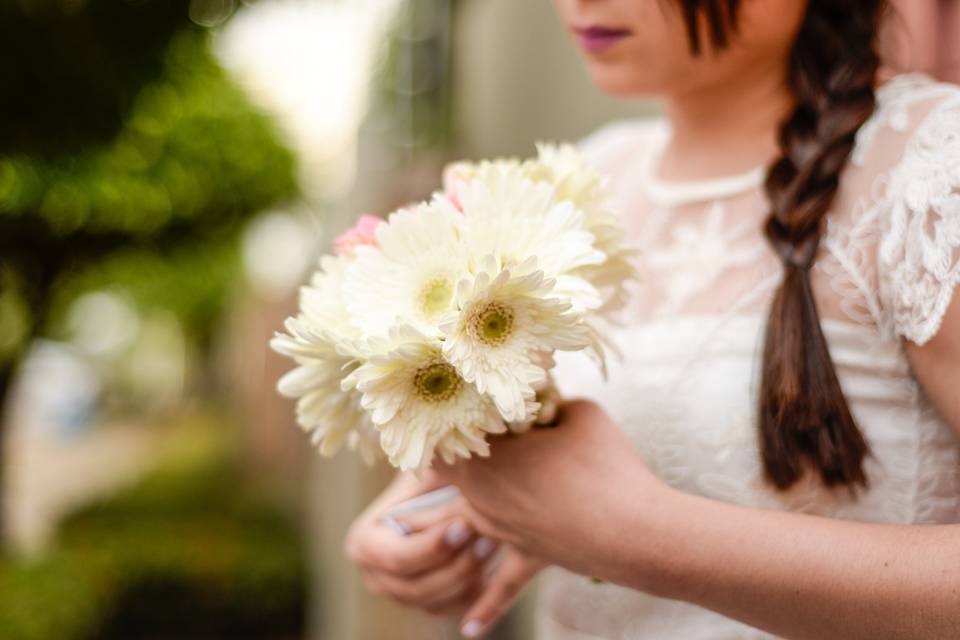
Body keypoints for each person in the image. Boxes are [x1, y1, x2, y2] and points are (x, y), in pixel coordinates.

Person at [345, 1, 960, 638]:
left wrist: (632, 535)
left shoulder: (934, 176)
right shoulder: (579, 182)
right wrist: (430, 520)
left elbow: (598, 513)